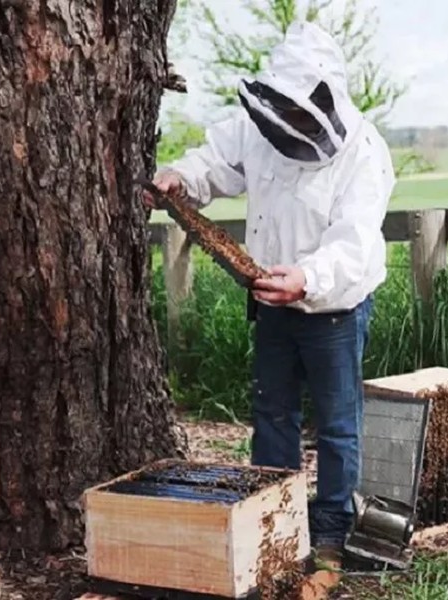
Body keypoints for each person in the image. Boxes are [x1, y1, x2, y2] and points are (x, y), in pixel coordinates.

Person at [144, 20, 395, 565]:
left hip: (334, 307)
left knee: (337, 424)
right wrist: (180, 177)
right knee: (272, 414)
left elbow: (354, 241)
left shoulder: (364, 153)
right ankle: (276, 520)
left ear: (327, 100)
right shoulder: (258, 125)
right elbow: (215, 162)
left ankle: (331, 529)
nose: (293, 124)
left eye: (304, 113)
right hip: (270, 299)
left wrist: (307, 278)